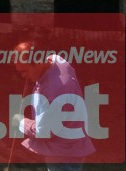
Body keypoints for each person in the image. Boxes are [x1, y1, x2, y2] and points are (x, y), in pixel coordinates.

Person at [11, 41, 95, 171]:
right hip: (73, 146)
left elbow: (44, 131)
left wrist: (21, 122)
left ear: (38, 62)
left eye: (25, 71)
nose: (23, 76)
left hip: (63, 156)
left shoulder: (54, 91)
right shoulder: (56, 60)